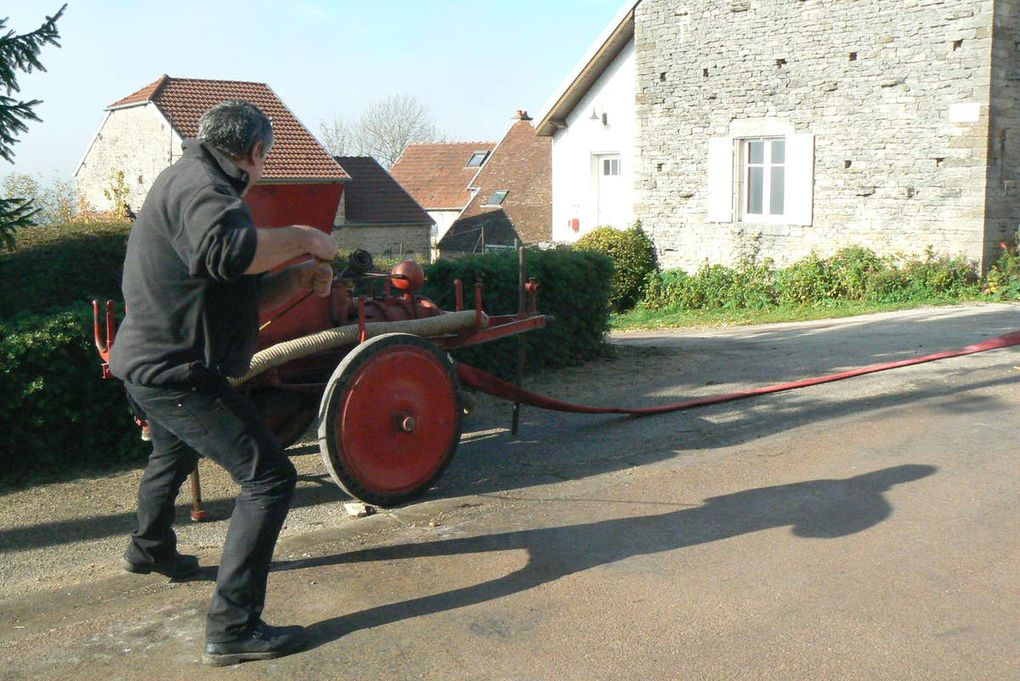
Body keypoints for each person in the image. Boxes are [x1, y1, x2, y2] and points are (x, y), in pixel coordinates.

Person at [108, 99, 338, 666]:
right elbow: (228, 251)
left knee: (173, 452)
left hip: (145, 362)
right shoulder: (204, 188)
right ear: (256, 151)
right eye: (267, 158)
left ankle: (149, 548)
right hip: (176, 373)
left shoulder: (188, 178)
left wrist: (301, 278)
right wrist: (307, 235)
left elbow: (236, 290)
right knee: (269, 479)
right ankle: (233, 629)